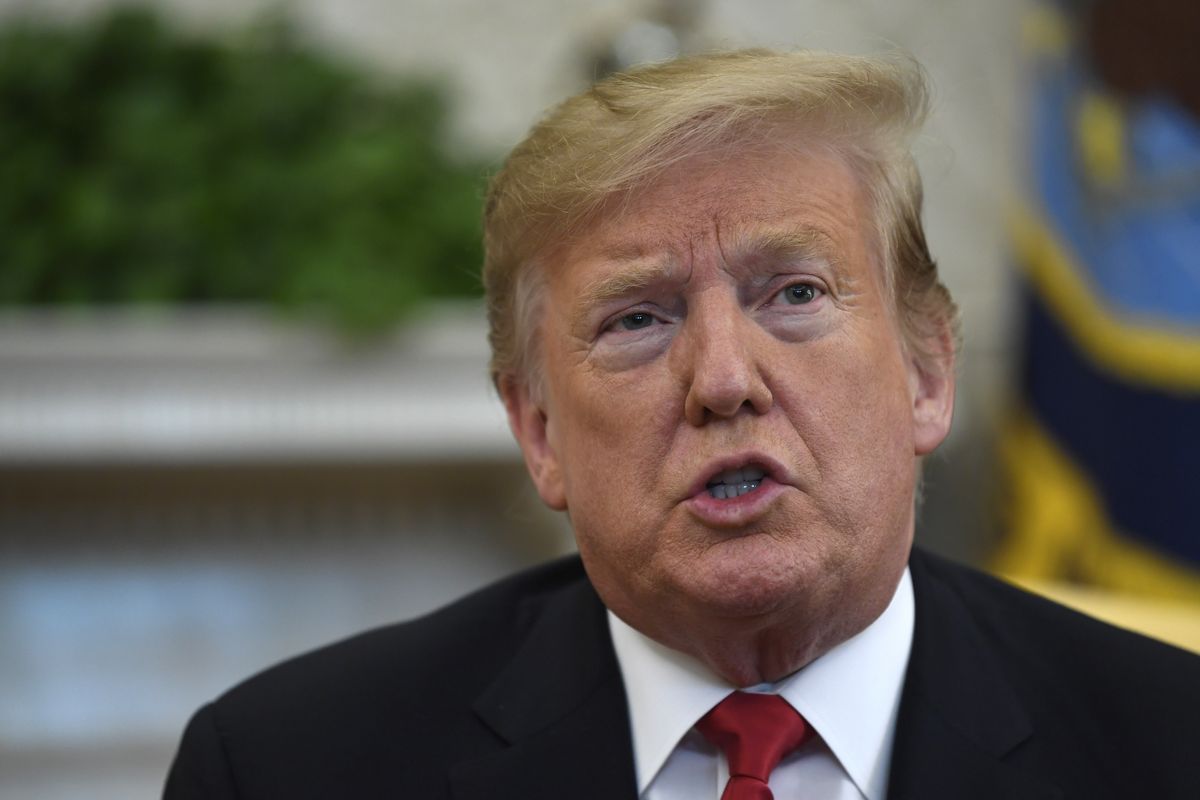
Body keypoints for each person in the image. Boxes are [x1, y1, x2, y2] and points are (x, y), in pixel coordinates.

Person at [164, 50, 1200, 800]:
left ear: (927, 372)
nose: (722, 379)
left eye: (793, 292)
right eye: (636, 318)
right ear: (538, 432)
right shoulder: (288, 768)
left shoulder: (1168, 747)